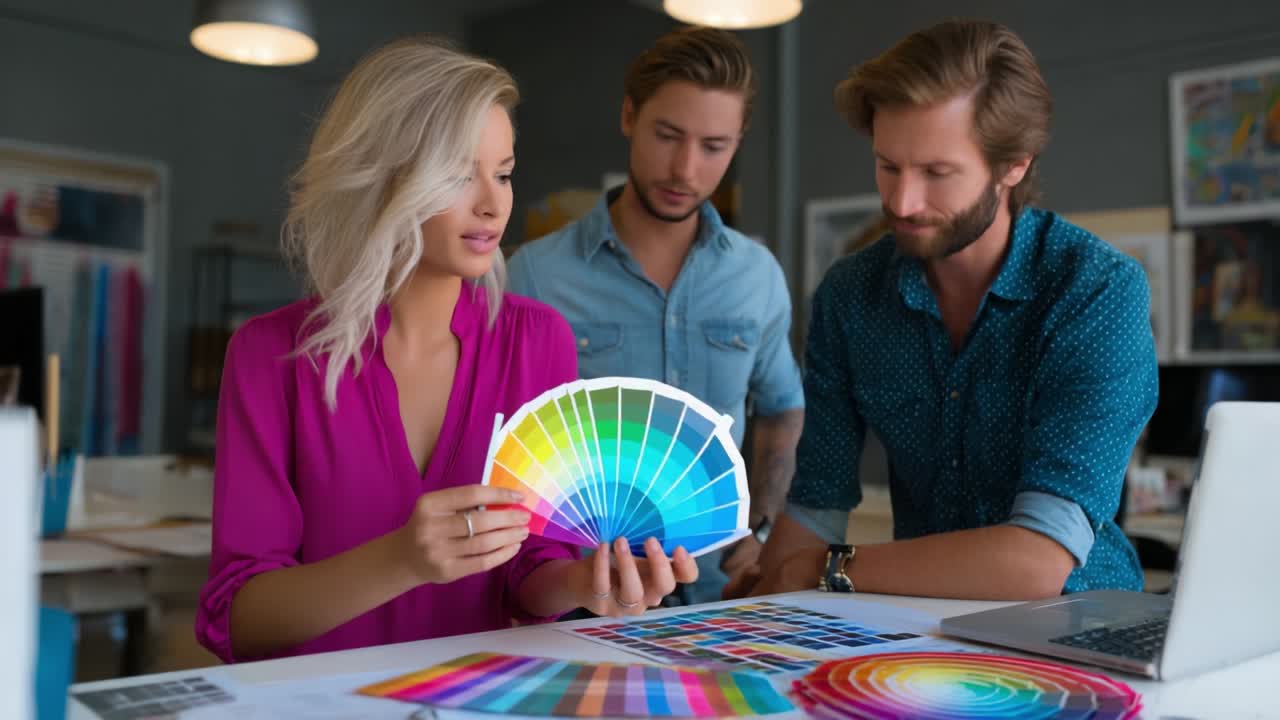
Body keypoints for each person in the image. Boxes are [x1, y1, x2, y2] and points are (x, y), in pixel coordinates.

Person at [195, 37, 696, 664]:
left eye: (505, 172)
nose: (493, 202)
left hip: (482, 699)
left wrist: (588, 584)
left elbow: (530, 568)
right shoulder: (268, 357)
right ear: (383, 177)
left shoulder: (537, 342)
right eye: (460, 174)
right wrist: (402, 559)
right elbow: (240, 620)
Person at [725, 19, 1158, 601]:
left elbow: (1037, 562)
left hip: (1080, 632)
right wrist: (760, 599)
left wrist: (818, 570)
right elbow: (815, 509)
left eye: (937, 173)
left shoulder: (1096, 292)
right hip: (911, 629)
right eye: (888, 165)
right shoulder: (850, 294)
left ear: (1015, 164)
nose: (901, 202)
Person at [508, 26, 804, 606]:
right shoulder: (535, 276)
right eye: (667, 136)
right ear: (628, 116)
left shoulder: (757, 275)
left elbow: (781, 411)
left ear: (738, 141)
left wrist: (764, 527)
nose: (685, 170)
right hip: (581, 602)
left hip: (718, 600)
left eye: (714, 146)